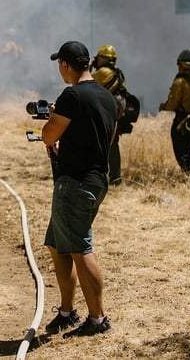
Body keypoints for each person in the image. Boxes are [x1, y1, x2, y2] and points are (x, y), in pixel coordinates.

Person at [41, 40, 118, 338]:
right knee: (57, 243)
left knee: (79, 248)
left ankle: (97, 320)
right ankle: (66, 312)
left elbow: (49, 135)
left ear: (65, 65)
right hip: (96, 178)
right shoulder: (107, 98)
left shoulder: (71, 96)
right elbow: (104, 140)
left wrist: (52, 117)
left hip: (75, 182)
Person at [158, 49, 190, 173]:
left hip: (183, 121)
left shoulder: (180, 82)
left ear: (181, 64)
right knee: (187, 149)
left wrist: (163, 106)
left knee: (181, 151)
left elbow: (172, 104)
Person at [91, 44, 127, 185]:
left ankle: (96, 176)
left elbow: (83, 83)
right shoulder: (118, 72)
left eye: (98, 57)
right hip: (114, 114)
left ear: (104, 58)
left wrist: (89, 68)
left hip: (102, 114)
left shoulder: (103, 72)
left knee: (98, 145)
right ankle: (115, 177)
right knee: (113, 146)